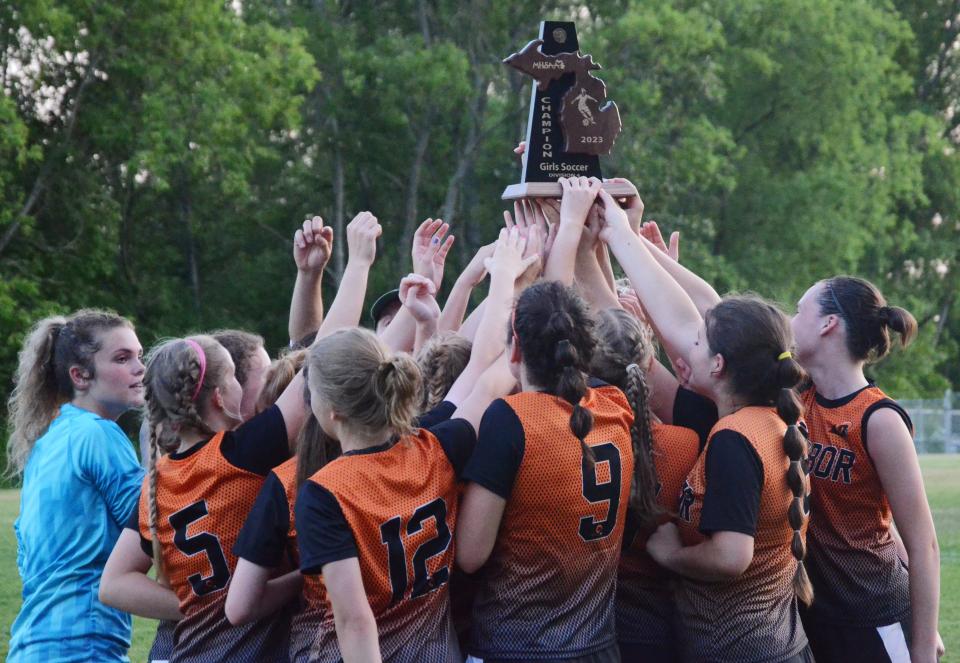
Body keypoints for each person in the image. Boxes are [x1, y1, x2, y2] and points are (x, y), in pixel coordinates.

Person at [101, 211, 382, 662]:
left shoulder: (158, 481)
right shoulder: (241, 453)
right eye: (235, 376)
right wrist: (359, 262)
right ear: (217, 397)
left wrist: (196, 605)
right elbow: (324, 354)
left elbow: (112, 584)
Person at [294, 229, 533, 661]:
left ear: (333, 413)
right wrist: (510, 282)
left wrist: (505, 281)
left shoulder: (325, 492)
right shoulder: (435, 446)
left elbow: (355, 621)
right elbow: (490, 372)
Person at [597, 189, 814, 662]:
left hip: (743, 653)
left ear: (717, 365)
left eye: (696, 341)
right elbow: (685, 316)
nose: (682, 346)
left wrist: (672, 554)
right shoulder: (761, 415)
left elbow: (730, 556)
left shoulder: (734, 441)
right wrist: (611, 236)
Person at [456, 278, 636, 662]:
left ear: (516, 346)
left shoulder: (511, 419)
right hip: (600, 647)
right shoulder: (617, 407)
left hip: (516, 646)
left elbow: (470, 554)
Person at [792, 277, 942, 663]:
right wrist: (636, 245)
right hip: (815, 617)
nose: (791, 321)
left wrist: (923, 646)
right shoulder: (800, 396)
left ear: (828, 324)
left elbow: (923, 544)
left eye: (799, 311)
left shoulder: (878, 419)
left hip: (874, 616)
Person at [6, 310, 146, 662]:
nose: (140, 368)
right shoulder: (98, 433)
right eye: (122, 358)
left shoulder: (48, 442)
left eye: (139, 356)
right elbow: (152, 522)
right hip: (83, 646)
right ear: (80, 376)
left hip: (32, 646)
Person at [590, 307, 700, 662]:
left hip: (588, 619)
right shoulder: (686, 443)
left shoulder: (576, 444)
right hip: (657, 620)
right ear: (649, 360)